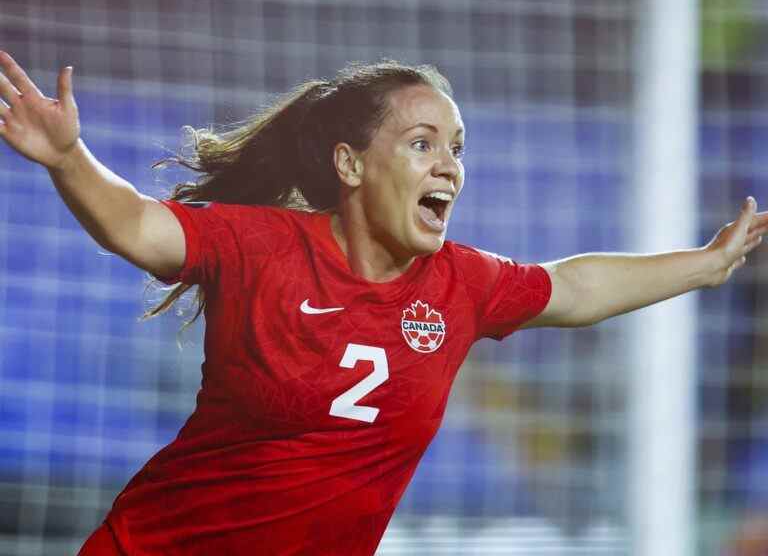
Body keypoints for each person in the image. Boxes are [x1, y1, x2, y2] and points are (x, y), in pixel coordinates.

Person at [0, 50, 765, 556]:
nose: (450, 167)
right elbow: (136, 224)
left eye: (458, 147)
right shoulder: (261, 246)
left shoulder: (463, 285)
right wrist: (69, 158)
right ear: (351, 164)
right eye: (422, 143)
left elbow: (572, 285)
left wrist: (704, 265)